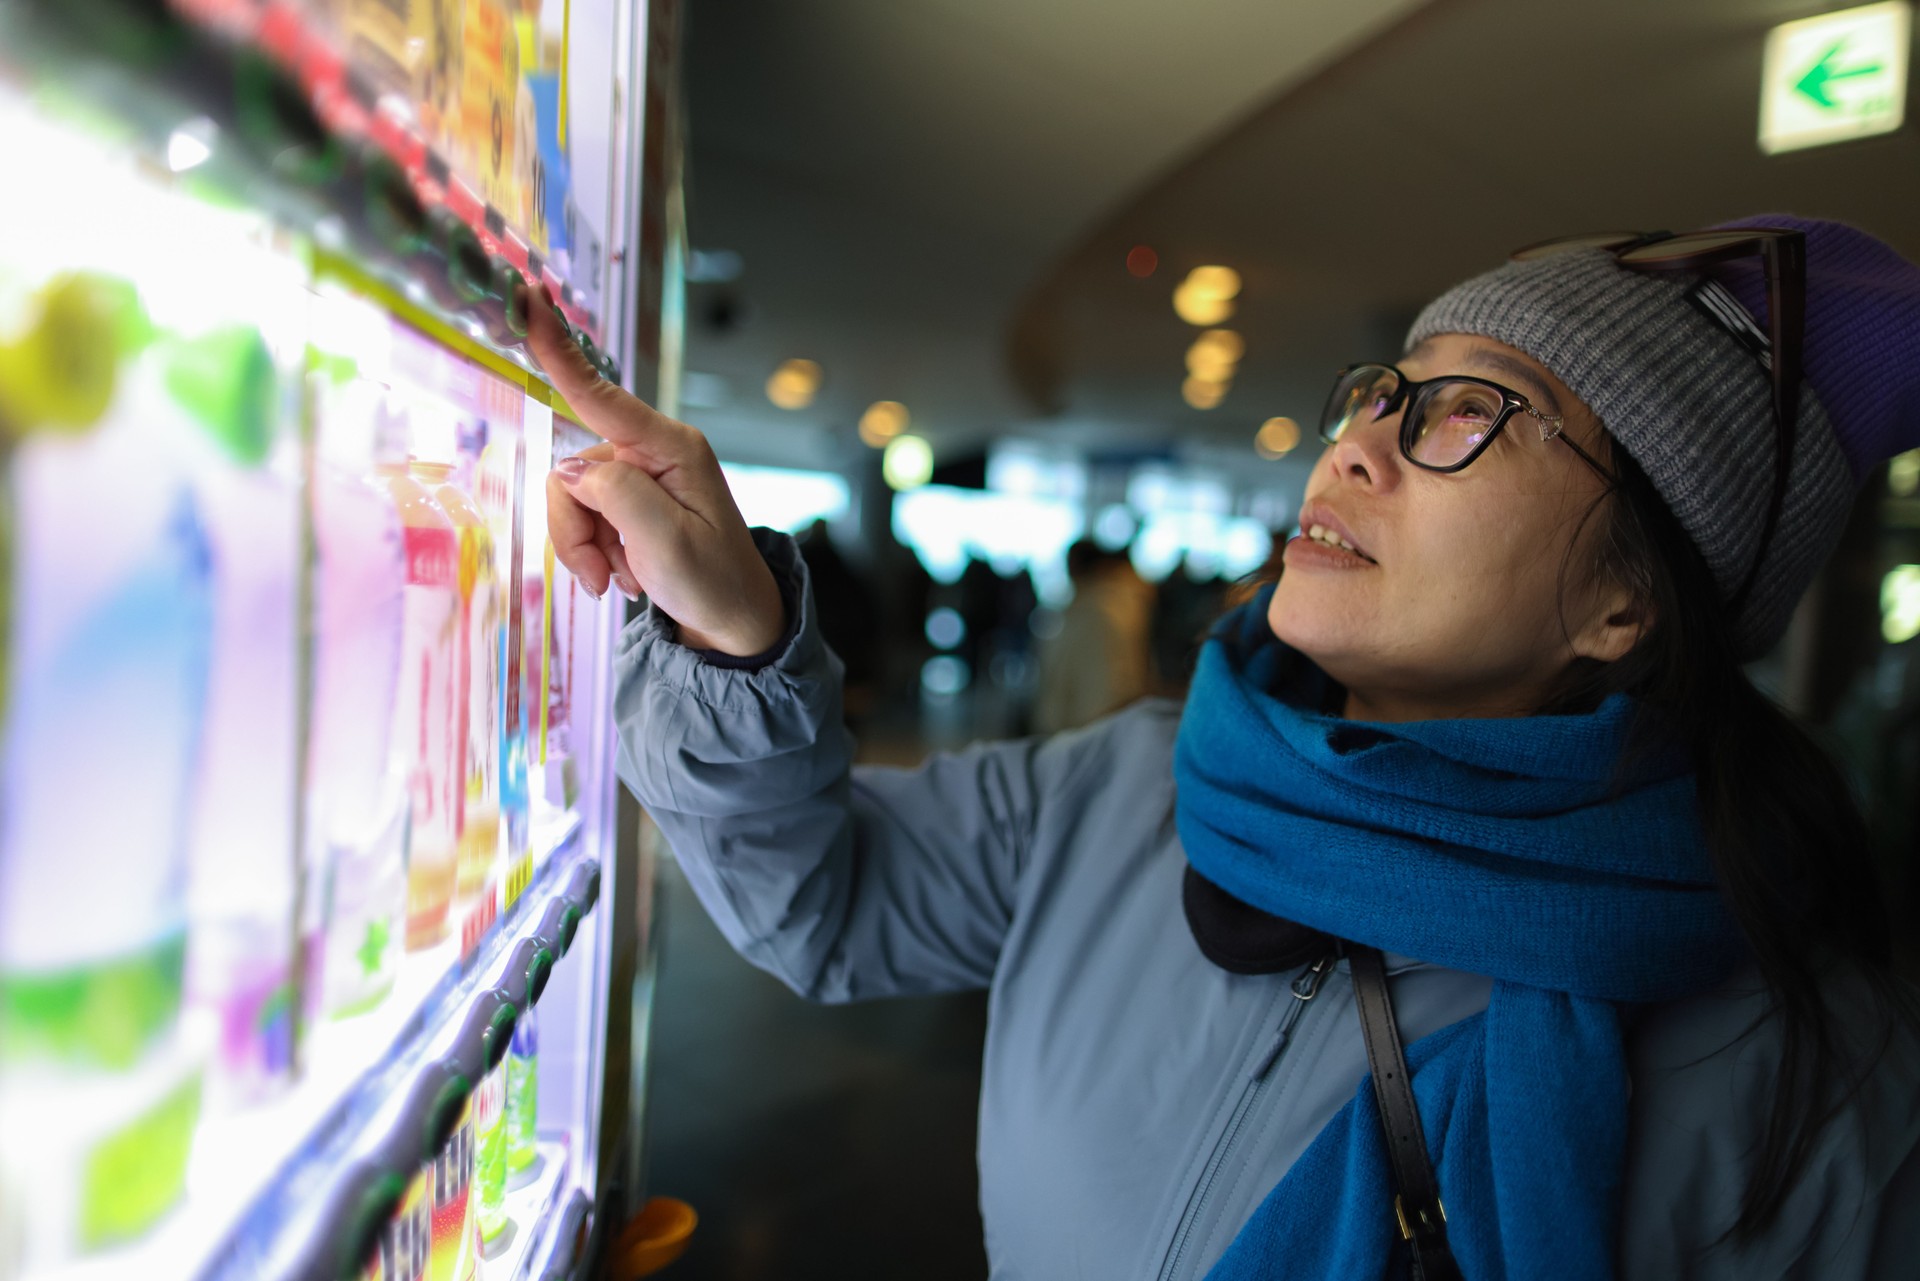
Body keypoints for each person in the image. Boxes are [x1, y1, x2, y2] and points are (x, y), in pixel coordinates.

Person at [526, 216, 1920, 1280]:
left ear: (1628, 601)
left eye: (1466, 412)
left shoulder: (1801, 1080)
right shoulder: (1129, 784)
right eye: (1383, 392)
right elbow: (824, 907)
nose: (1358, 446)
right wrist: (730, 632)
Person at [1034, 539, 1156, 733]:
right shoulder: (1107, 605)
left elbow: (1107, 681)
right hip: (1094, 724)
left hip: (1088, 726)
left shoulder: (1098, 610)